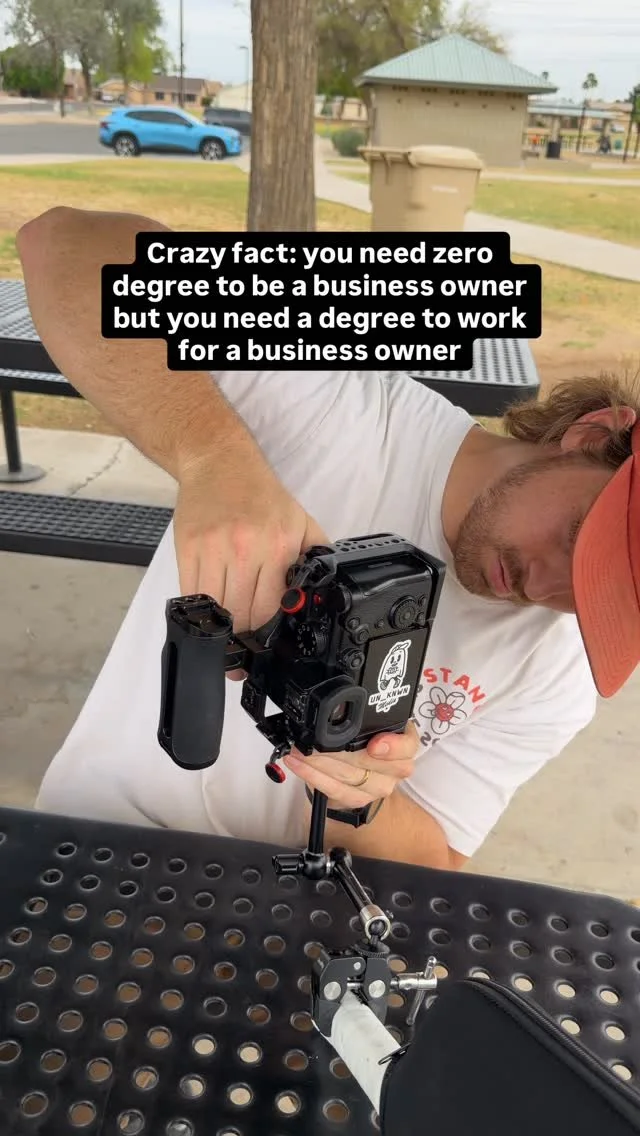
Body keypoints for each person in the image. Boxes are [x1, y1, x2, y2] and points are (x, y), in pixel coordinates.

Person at [14, 207, 640, 873]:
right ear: (592, 435)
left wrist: (364, 796)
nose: (546, 587)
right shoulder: (336, 404)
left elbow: (437, 861)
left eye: (596, 596)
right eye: (578, 540)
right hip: (99, 844)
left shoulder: (559, 668)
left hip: (294, 912)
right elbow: (65, 244)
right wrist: (214, 459)